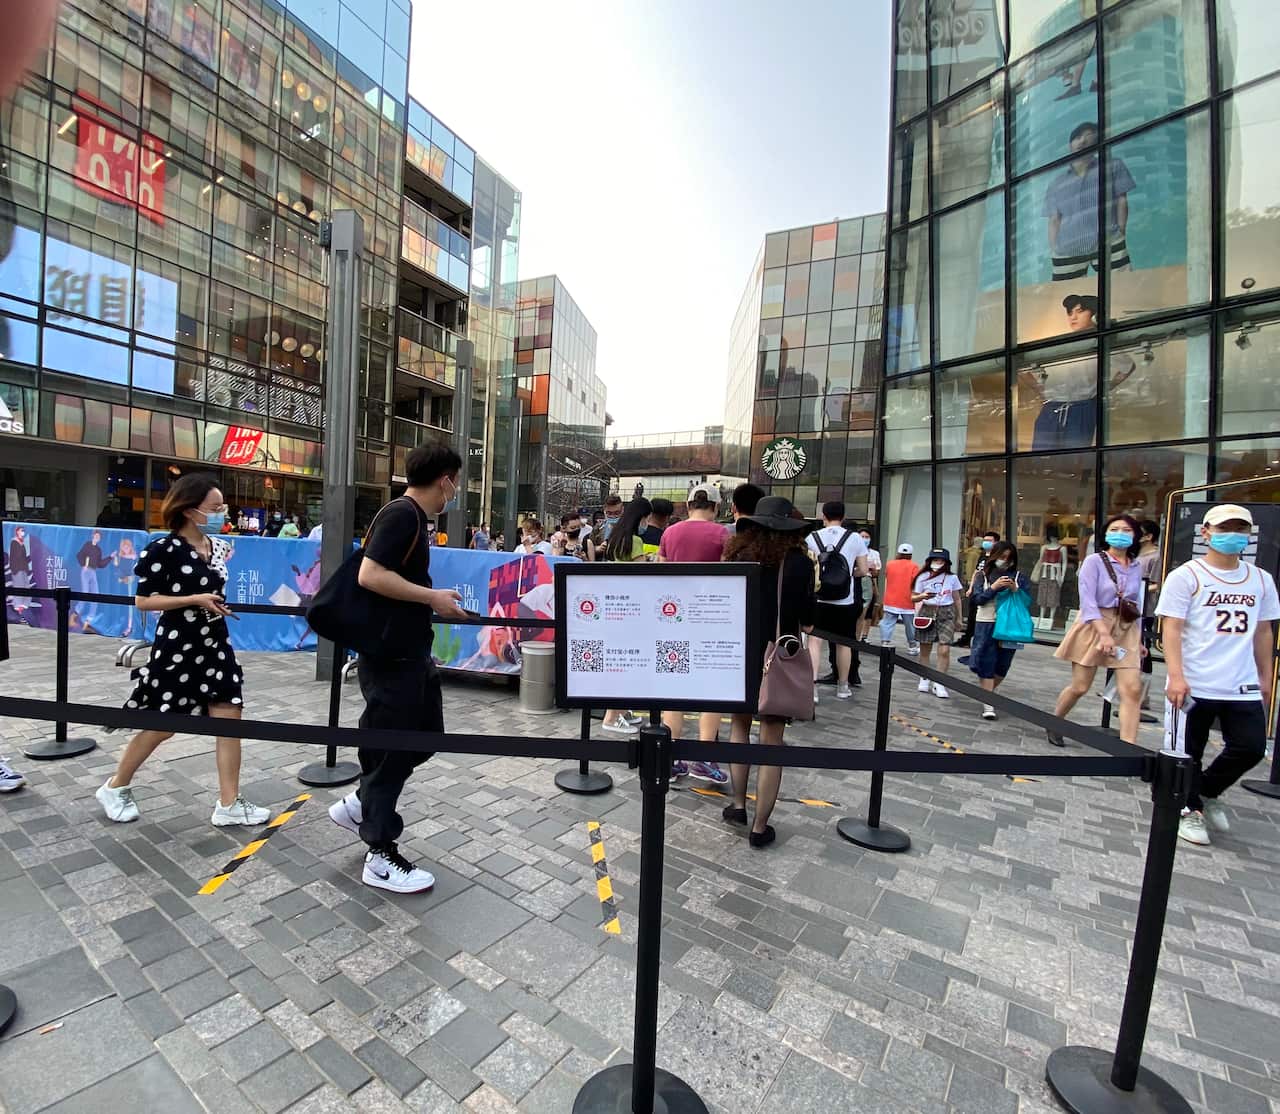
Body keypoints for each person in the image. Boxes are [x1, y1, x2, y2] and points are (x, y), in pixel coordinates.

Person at [327, 443, 467, 893]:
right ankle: (380, 853)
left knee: (426, 735)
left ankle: (361, 803)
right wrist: (433, 598)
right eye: (456, 480)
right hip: (390, 659)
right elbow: (370, 575)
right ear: (445, 479)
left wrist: (431, 598)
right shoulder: (403, 515)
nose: (457, 490)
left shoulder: (411, 518)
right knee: (388, 753)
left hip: (409, 654)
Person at [96, 474, 271, 828]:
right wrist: (194, 599)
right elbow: (144, 601)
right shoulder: (162, 549)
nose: (223, 512)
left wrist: (214, 605)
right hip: (177, 646)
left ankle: (229, 802)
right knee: (163, 725)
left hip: (215, 643)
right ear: (191, 510)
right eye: (215, 507)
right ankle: (115, 786)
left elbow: (212, 591)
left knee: (230, 717)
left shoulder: (217, 547)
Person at [1157, 505, 1279, 847]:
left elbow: (1263, 631)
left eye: (1241, 529)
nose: (1233, 536)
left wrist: (1267, 676)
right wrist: (1176, 675)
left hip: (1240, 681)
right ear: (1206, 532)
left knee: (1251, 746)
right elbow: (1172, 627)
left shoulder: (1260, 579)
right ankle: (1189, 808)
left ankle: (1207, 791)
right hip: (1196, 679)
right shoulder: (1187, 576)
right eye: (1225, 528)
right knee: (1187, 750)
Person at [720, 496, 816, 848]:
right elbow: (807, 619)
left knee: (739, 728)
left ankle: (737, 804)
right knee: (772, 741)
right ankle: (760, 828)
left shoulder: (737, 557)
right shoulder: (800, 565)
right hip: (777, 659)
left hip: (738, 655)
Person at [657, 483, 731, 784]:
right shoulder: (724, 535)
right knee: (710, 690)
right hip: (709, 620)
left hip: (673, 619)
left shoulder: (669, 533)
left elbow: (659, 576)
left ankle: (671, 759)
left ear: (688, 506)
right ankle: (703, 757)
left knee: (674, 689)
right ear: (715, 507)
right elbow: (729, 579)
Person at [1049, 514, 1145, 746]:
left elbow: (1136, 603)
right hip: (1095, 624)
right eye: (1115, 529)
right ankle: (1055, 721)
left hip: (1125, 626)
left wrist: (1139, 639)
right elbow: (1088, 601)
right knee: (1081, 686)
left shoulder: (1136, 565)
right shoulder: (1094, 561)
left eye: (1126, 530)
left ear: (1135, 536)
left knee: (1132, 689)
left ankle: (1127, 747)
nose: (1120, 533)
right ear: (1105, 534)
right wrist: (1103, 633)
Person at [1044, 122, 1135, 283]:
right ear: (1070, 144)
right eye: (1078, 137)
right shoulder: (1056, 184)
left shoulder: (1112, 166)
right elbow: (1054, 219)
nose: (1082, 141)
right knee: (1065, 300)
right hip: (1068, 248)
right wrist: (1054, 249)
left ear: (1097, 141)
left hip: (1108, 239)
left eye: (1088, 136)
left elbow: (1122, 199)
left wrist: (1120, 231)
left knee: (1123, 288)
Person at [597, 496, 655, 737]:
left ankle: (620, 712)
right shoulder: (635, 541)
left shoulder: (615, 539)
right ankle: (612, 716)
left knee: (619, 662)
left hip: (614, 609)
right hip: (632, 611)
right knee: (625, 666)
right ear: (641, 518)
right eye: (647, 519)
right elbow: (641, 576)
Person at [806, 501, 869, 702]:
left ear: (823, 516)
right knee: (844, 644)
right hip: (845, 600)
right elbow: (864, 570)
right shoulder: (855, 538)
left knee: (815, 641)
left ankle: (813, 688)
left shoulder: (812, 538)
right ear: (843, 516)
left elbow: (808, 566)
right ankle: (843, 686)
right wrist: (849, 574)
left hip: (818, 597)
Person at [967, 542, 1033, 719]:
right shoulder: (982, 575)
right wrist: (994, 588)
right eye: (1002, 557)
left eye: (1009, 558)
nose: (1005, 561)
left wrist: (1015, 589)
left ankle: (986, 693)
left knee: (1003, 665)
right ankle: (988, 703)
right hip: (987, 622)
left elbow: (1027, 602)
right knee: (987, 661)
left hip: (1010, 626)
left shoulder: (1019, 577)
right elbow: (978, 599)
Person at [910, 549, 963, 698]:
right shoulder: (922, 577)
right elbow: (913, 597)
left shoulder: (952, 578)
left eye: (941, 561)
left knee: (944, 649)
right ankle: (924, 677)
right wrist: (922, 595)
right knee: (925, 648)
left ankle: (939, 682)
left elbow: (957, 598)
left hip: (947, 612)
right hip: (927, 611)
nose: (937, 563)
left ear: (946, 563)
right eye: (935, 560)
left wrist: (959, 618)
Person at [957, 531, 1000, 649]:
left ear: (996, 542)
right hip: (976, 589)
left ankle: (979, 640)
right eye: (985, 540)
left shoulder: (997, 558)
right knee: (972, 615)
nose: (986, 543)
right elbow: (976, 572)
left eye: (989, 541)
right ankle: (967, 638)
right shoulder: (981, 555)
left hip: (987, 591)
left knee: (982, 616)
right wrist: (971, 588)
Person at [1136, 519, 1162, 715]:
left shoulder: (1156, 556)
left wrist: (1138, 588)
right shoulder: (1135, 553)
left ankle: (1143, 695)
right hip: (1129, 607)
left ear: (1149, 536)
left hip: (1145, 608)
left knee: (1143, 649)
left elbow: (1157, 584)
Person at [879, 543, 921, 655]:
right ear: (911, 554)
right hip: (906, 600)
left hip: (891, 599)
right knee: (910, 624)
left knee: (887, 622)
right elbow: (916, 582)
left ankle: (885, 642)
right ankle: (912, 645)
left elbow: (887, 576)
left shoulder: (890, 564)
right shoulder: (914, 566)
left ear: (898, 553)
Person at [855, 528, 882, 644]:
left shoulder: (874, 553)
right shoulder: (853, 550)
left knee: (867, 611)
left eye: (867, 537)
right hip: (856, 580)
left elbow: (876, 573)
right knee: (858, 610)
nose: (865, 539)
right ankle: (856, 634)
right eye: (862, 537)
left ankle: (863, 635)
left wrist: (872, 570)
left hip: (869, 581)